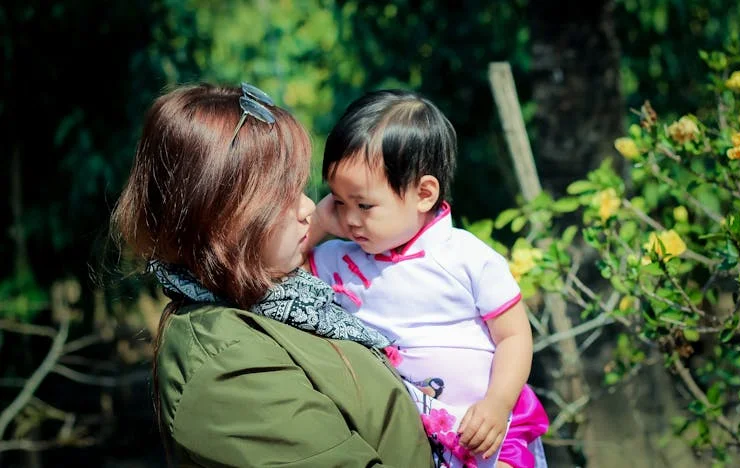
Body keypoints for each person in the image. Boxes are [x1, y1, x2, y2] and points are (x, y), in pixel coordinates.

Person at [111, 83, 435, 467]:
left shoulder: (278, 300)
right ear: (219, 215)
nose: (310, 207)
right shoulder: (226, 366)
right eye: (282, 197)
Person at [306, 90, 549, 468]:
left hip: (492, 431)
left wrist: (497, 403)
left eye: (363, 204)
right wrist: (321, 222)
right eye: (339, 202)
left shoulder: (467, 258)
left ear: (423, 194)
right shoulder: (337, 260)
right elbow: (280, 264)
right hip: (416, 441)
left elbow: (514, 336)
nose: (350, 219)